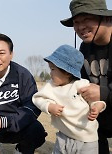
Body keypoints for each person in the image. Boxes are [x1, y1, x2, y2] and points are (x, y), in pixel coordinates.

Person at [32, 45, 106, 154]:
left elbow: (95, 100)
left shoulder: (81, 85)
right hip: (63, 137)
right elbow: (37, 98)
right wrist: (49, 106)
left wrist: (97, 107)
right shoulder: (50, 86)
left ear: (67, 72)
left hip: (87, 140)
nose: (50, 73)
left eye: (53, 69)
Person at [60, 0, 112, 153]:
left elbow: (102, 92)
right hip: (99, 115)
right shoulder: (85, 47)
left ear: (107, 18)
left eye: (87, 19)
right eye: (76, 22)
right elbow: (82, 81)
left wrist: (104, 92)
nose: (80, 27)